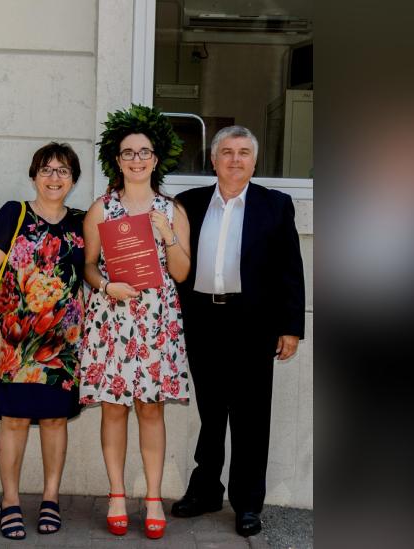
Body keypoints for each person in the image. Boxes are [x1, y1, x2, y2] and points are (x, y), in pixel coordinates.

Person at [171, 125, 306, 537]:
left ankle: (248, 504)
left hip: (253, 323)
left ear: (254, 160)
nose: (234, 159)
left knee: (250, 417)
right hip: (202, 320)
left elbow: (290, 270)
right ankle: (206, 491)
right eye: (226, 152)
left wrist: (291, 328)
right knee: (211, 412)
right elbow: (172, 263)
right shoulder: (187, 204)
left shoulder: (275, 205)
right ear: (212, 160)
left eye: (243, 152)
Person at [77, 105, 191, 540]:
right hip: (113, 319)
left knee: (150, 408)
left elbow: (180, 273)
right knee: (113, 408)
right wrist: (106, 288)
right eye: (129, 153)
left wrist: (169, 236)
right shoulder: (101, 209)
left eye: (144, 152)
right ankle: (117, 495)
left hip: (157, 319)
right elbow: (89, 266)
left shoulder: (172, 209)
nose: (137, 159)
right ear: (118, 160)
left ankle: (155, 497)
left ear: (155, 159)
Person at [0, 142, 85, 540]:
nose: (55, 178)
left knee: (55, 420)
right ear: (34, 175)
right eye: (47, 170)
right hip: (14, 340)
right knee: (15, 420)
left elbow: (99, 274)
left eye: (63, 171)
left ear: (74, 180)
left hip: (62, 344)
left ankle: (51, 498)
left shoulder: (83, 223)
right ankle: (10, 501)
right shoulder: (12, 214)